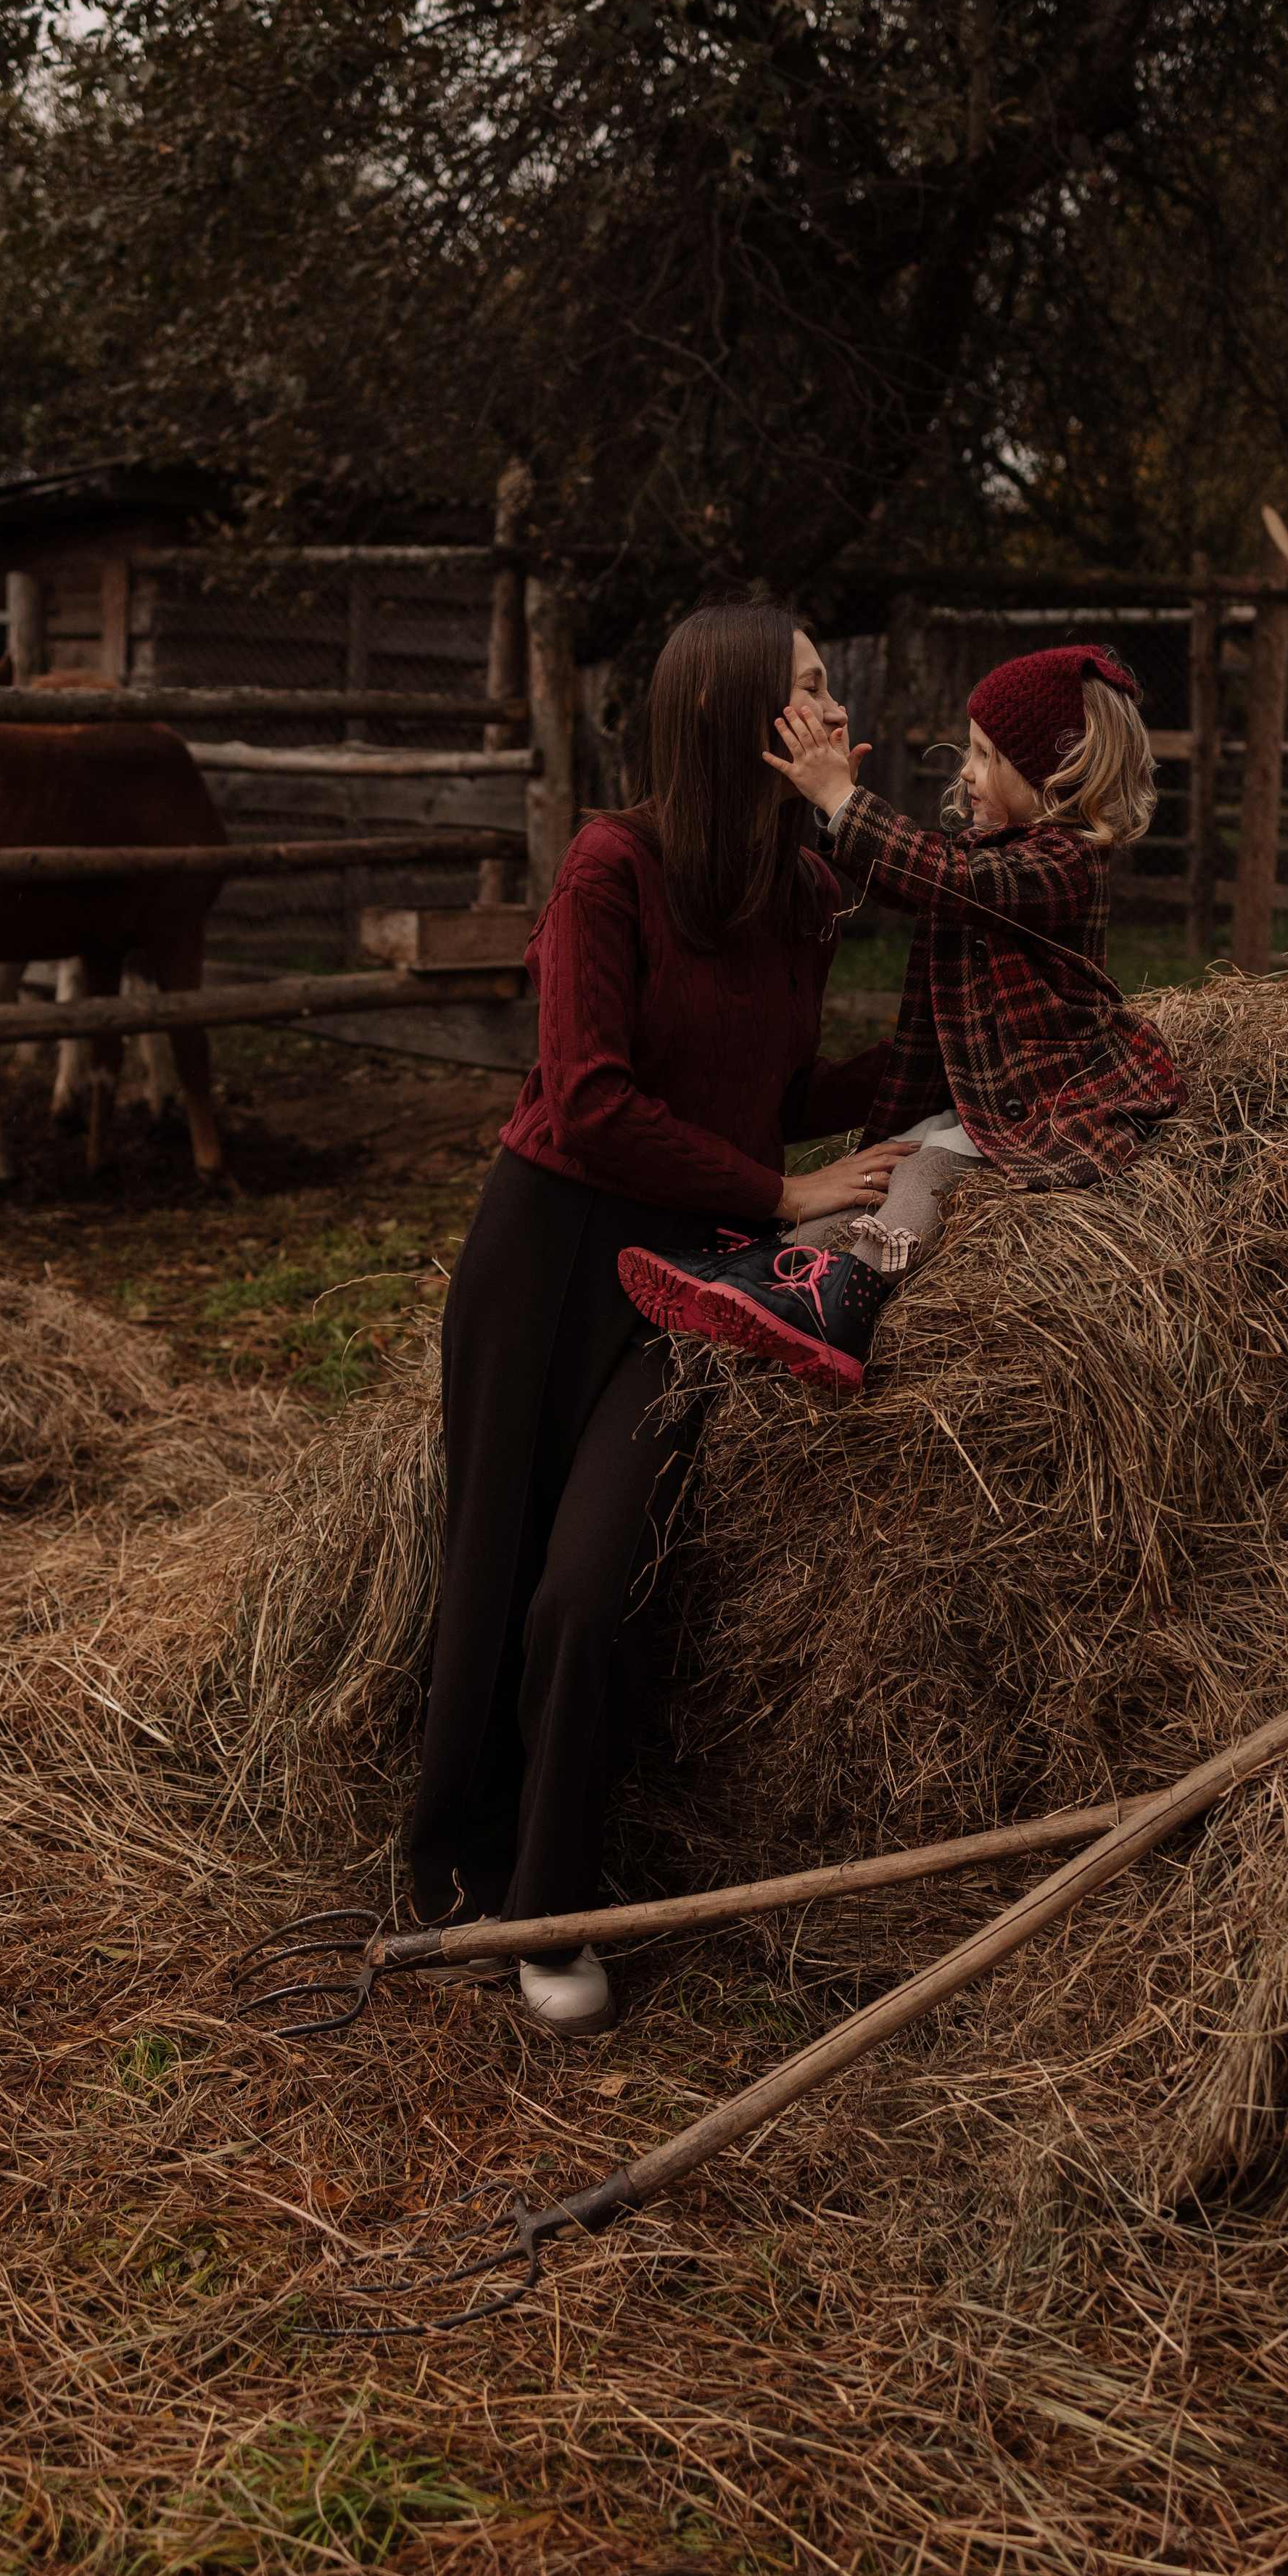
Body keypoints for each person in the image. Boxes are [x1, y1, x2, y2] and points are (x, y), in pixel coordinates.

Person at [408, 603, 906, 2036]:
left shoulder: (805, 894)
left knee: (588, 1584)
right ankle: (465, 1864)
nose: (836, 711)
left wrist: (931, 1071)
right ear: (732, 713)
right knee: (496, 1565)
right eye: (809, 688)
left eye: (829, 687)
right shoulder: (608, 866)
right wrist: (782, 1189)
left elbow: (775, 1086)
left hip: (690, 1272)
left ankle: (552, 1903)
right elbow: (588, 1098)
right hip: (551, 1249)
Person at [619, 643, 1186, 1389]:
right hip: (991, 1095)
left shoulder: (1066, 864)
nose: (966, 772)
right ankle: (771, 1271)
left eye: (986, 756)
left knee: (925, 1172)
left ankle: (848, 1303)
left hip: (1050, 1097)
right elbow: (914, 877)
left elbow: (945, 877)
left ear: (1054, 776)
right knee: (886, 1165)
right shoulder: (996, 853)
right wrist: (840, 812)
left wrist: (841, 800)